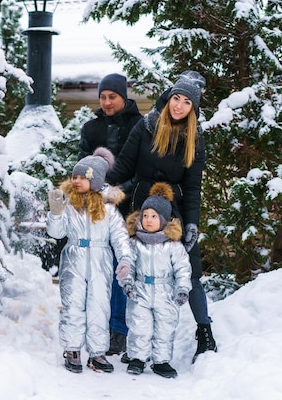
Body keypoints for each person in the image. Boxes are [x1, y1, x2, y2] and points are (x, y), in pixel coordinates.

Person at [106, 70, 218, 364]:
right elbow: (124, 166)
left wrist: (191, 223)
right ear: (168, 99)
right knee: (136, 268)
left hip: (173, 208)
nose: (179, 106)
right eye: (176, 99)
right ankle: (133, 339)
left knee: (190, 268)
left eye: (186, 103)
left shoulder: (195, 139)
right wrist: (100, 183)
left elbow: (193, 186)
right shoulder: (146, 126)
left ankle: (204, 332)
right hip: (140, 205)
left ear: (193, 108)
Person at [46, 147, 135, 374]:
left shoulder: (108, 210)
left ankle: (97, 353)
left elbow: (120, 237)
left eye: (82, 177)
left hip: (100, 260)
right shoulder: (69, 206)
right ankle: (72, 349)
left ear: (95, 181)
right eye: (74, 176)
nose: (76, 181)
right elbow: (56, 233)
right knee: (73, 304)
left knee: (99, 306)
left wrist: (125, 259)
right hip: (74, 259)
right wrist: (56, 212)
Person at [77, 73, 143, 357]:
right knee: (97, 269)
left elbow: (143, 169)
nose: (106, 102)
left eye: (112, 97)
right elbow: (82, 166)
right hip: (97, 210)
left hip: (128, 208)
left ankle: (119, 330)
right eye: (102, 97)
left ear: (123, 97)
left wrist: (119, 192)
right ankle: (96, 326)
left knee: (121, 268)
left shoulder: (139, 126)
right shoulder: (91, 129)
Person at [116, 182, 191, 378]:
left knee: (164, 329)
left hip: (165, 291)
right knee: (139, 327)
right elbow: (128, 264)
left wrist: (182, 288)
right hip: (140, 290)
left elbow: (183, 267)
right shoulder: (135, 243)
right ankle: (137, 359)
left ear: (164, 220)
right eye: (145, 215)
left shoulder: (173, 245)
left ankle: (161, 361)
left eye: (154, 216)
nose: (148, 220)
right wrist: (128, 283)